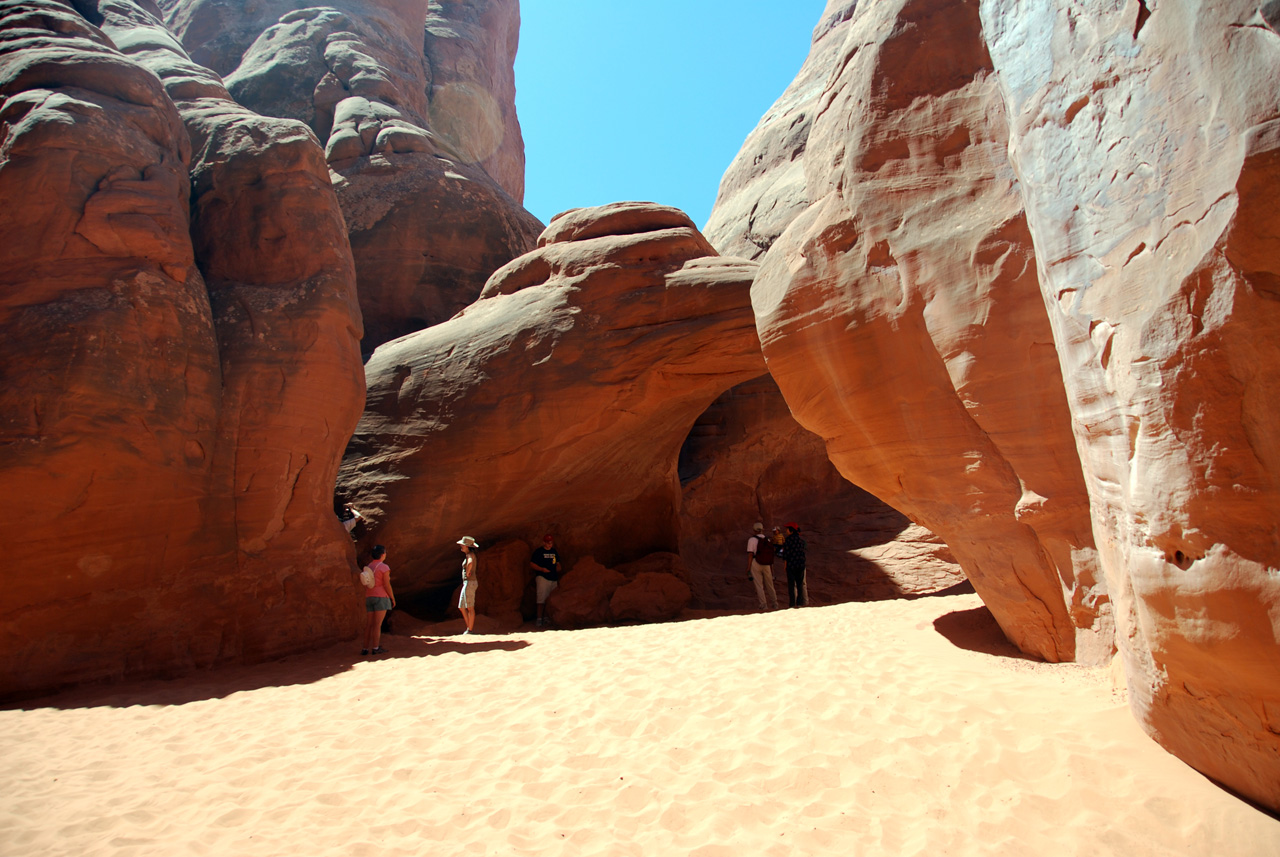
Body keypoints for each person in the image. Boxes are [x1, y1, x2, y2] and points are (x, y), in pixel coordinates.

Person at [362, 544, 394, 655]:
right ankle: (375, 648)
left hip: (369, 596)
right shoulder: (384, 567)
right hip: (381, 597)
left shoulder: (368, 566)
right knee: (377, 625)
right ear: (382, 554)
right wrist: (392, 598)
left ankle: (365, 648)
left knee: (369, 624)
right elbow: (386, 584)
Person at [530, 534, 562, 627]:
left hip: (553, 578)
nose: (549, 544)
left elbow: (558, 563)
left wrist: (558, 567)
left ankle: (547, 618)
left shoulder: (554, 552)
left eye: (550, 542)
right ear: (544, 542)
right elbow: (532, 564)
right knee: (541, 598)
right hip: (542, 577)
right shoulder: (539, 552)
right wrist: (541, 569)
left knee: (551, 599)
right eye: (547, 542)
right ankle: (539, 619)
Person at [746, 522, 779, 610]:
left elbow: (750, 554)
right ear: (762, 529)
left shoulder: (751, 540)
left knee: (759, 585)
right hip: (767, 564)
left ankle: (763, 605)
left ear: (754, 530)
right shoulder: (767, 539)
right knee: (770, 584)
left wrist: (748, 568)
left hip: (755, 562)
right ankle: (775, 604)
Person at [781, 523, 808, 607]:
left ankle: (792, 603)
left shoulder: (787, 540)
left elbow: (786, 554)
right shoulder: (800, 540)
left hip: (791, 565)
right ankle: (799, 602)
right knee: (800, 584)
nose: (786, 531)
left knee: (791, 585)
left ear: (791, 530)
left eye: (787, 529)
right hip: (800, 565)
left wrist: (785, 565)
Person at [457, 536, 479, 635]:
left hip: (470, 582)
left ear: (467, 546)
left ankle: (470, 630)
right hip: (467, 582)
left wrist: (468, 572)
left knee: (470, 607)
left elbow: (470, 563)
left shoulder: (470, 555)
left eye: (462, 545)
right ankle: (469, 628)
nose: (461, 546)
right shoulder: (469, 554)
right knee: (462, 606)